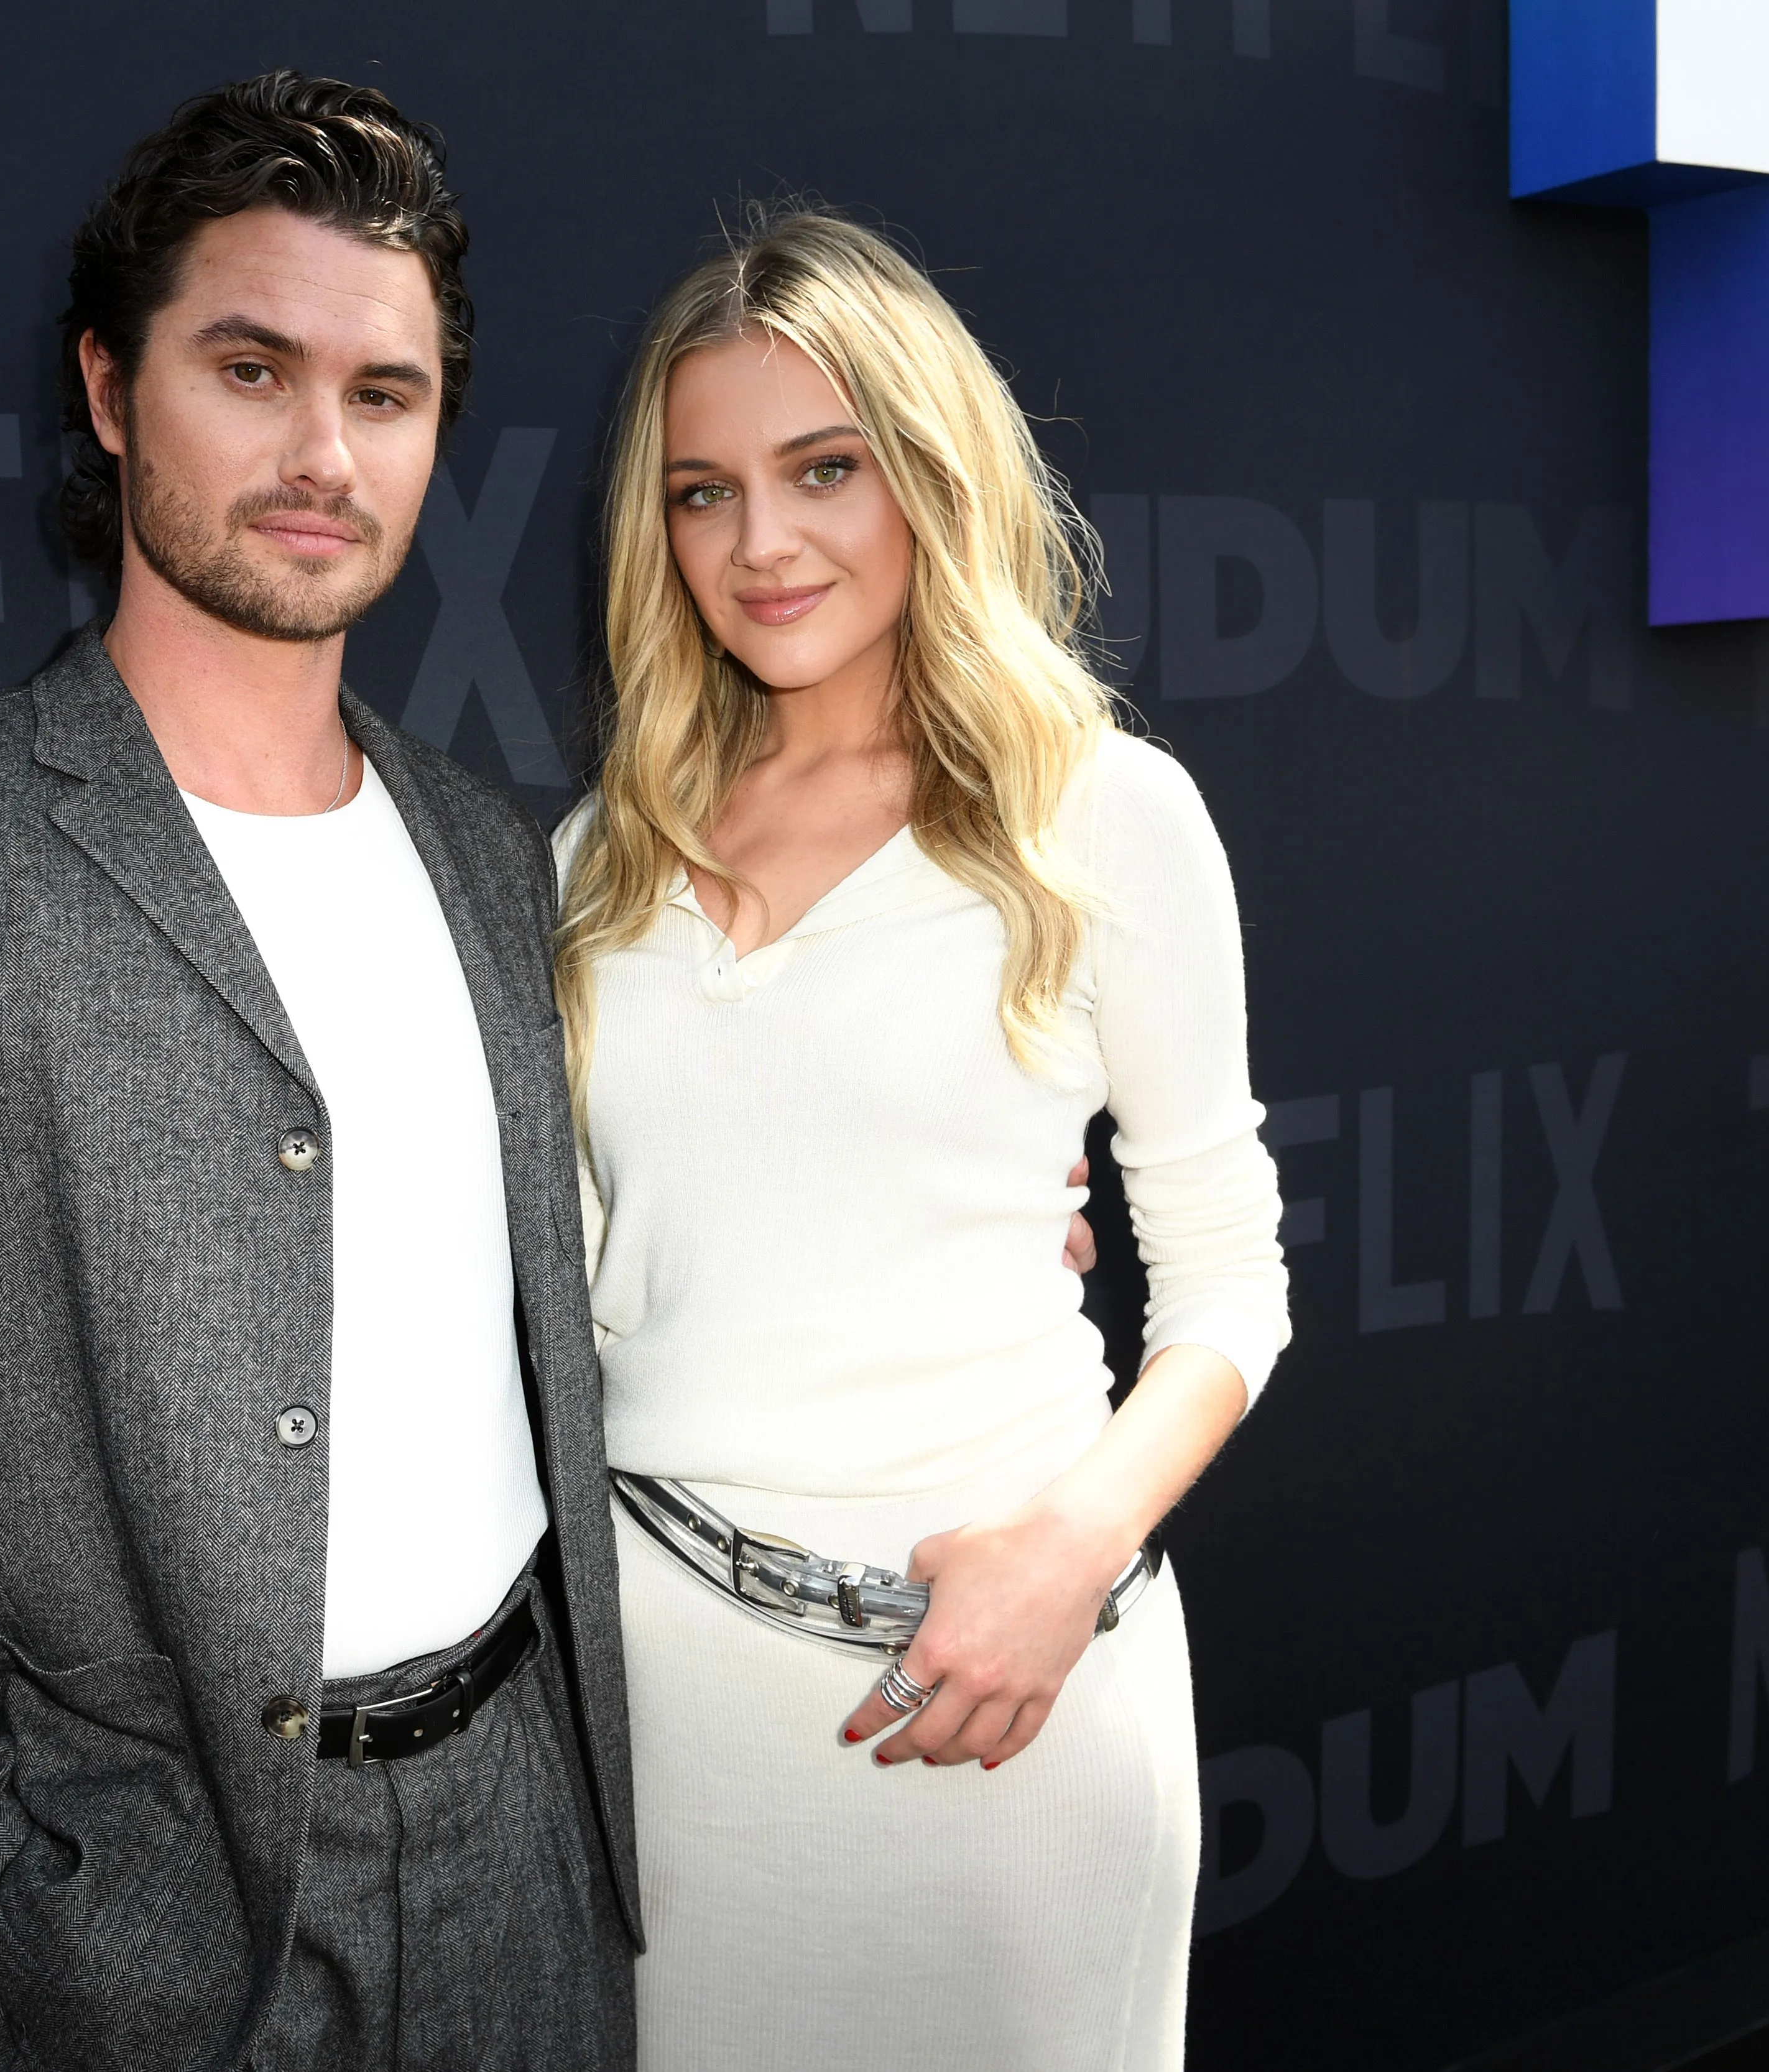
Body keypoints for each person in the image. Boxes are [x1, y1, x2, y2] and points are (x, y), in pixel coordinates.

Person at [0, 73, 640, 2072]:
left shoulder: (487, 847)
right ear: (111, 393)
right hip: (156, 1904)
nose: (320, 451)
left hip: (530, 1835)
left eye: (385, 394)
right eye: (251, 367)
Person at [553, 210, 1292, 2070]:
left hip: (1019, 1711)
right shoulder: (599, 859)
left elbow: (1228, 1284)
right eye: (703, 491)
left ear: (932, 474)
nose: (761, 543)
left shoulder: (1099, 815)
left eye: (824, 470)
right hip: (670, 1725)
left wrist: (1074, 1544)